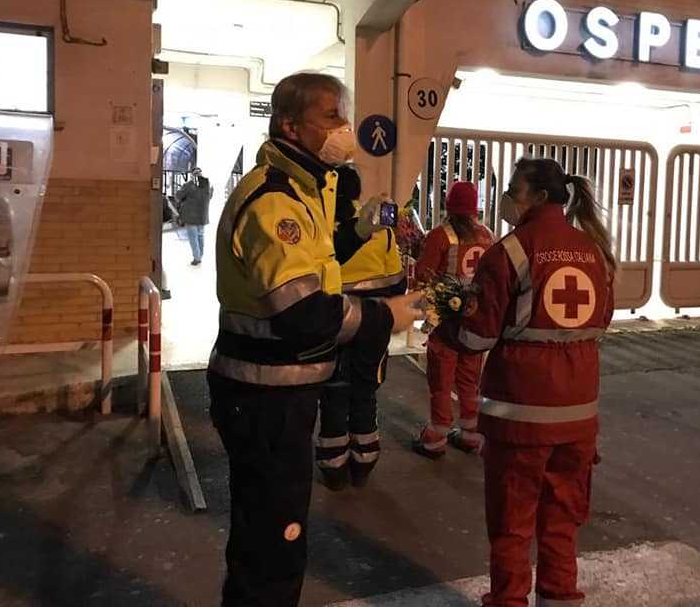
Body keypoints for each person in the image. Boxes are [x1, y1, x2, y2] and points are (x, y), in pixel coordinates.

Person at [207, 72, 422, 607]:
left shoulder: (304, 189)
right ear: (289, 125)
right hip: (264, 394)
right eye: (331, 117)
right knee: (273, 547)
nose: (344, 128)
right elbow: (303, 312)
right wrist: (384, 317)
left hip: (280, 391)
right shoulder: (275, 201)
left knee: (268, 534)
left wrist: (360, 230)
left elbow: (317, 266)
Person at [444, 158, 615, 607]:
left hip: (520, 419)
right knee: (562, 522)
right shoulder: (594, 250)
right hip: (578, 418)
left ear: (538, 197)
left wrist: (449, 320)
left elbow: (477, 336)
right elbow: (602, 320)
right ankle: (559, 598)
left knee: (512, 526)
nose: (506, 198)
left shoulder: (511, 252)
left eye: (514, 190)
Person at [315, 164, 406, 491]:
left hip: (333, 321)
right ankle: (365, 460)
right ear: (358, 194)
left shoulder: (320, 229)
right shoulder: (382, 230)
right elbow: (397, 283)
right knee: (365, 389)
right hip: (374, 323)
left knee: (333, 391)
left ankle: (333, 465)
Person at [412, 181, 494, 458]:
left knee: (441, 379)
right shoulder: (488, 236)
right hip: (474, 322)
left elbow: (423, 274)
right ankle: (471, 433)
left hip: (445, 323)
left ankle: (436, 436)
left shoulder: (439, 236)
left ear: (449, 206)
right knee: (470, 379)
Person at [174, 166, 213, 265]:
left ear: (192, 175)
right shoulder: (208, 185)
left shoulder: (189, 185)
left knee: (193, 238)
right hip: (202, 216)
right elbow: (209, 197)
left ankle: (197, 258)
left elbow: (178, 196)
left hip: (190, 217)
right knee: (200, 236)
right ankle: (200, 255)